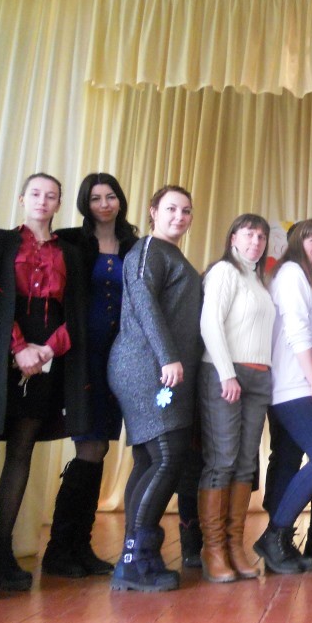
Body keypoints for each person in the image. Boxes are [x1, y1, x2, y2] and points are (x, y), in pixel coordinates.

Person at [0, 173, 88, 602]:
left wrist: (47, 350)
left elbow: (76, 312)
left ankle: (2, 550)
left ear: (59, 204)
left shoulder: (70, 253)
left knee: (21, 449)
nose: (42, 200)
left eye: (51, 196)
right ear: (21, 199)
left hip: (46, 357)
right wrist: (18, 348)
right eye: (35, 193)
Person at [42, 173, 138, 579]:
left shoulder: (134, 244)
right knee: (88, 446)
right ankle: (59, 549)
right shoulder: (71, 241)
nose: (104, 204)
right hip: (82, 357)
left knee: (99, 449)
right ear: (85, 202)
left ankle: (80, 545)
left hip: (119, 359)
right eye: (96, 198)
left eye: (110, 196)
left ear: (120, 201)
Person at [108, 185, 202, 592]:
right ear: (152, 211)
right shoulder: (148, 250)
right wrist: (167, 357)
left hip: (162, 368)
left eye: (186, 211)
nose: (179, 216)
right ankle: (136, 558)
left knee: (150, 460)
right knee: (167, 457)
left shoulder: (172, 254)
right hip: (146, 365)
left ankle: (134, 556)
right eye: (171, 209)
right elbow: (144, 302)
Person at [254, 219, 312, 575]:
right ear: (297, 243)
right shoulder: (291, 273)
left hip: (294, 382)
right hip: (293, 386)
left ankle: (281, 543)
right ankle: (274, 535)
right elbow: (295, 330)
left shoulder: (304, 278)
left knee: (289, 460)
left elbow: (305, 331)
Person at [196, 214, 275, 583]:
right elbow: (209, 322)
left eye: (261, 236)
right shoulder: (224, 272)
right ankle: (212, 548)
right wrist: (226, 372)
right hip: (225, 373)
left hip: (259, 378)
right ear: (233, 238)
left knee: (245, 464)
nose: (256, 241)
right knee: (222, 460)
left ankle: (234, 546)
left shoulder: (259, 281)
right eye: (249, 234)